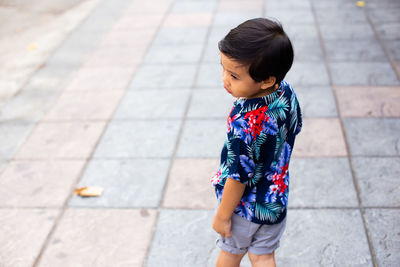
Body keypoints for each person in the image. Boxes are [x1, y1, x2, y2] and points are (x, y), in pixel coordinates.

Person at [211, 18, 302, 267]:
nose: (225, 80)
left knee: (230, 254)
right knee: (263, 256)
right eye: (223, 69)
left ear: (266, 80)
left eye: (234, 75)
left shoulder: (244, 125)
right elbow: (295, 127)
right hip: (275, 198)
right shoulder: (286, 92)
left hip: (244, 208)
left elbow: (238, 176)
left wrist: (222, 215)